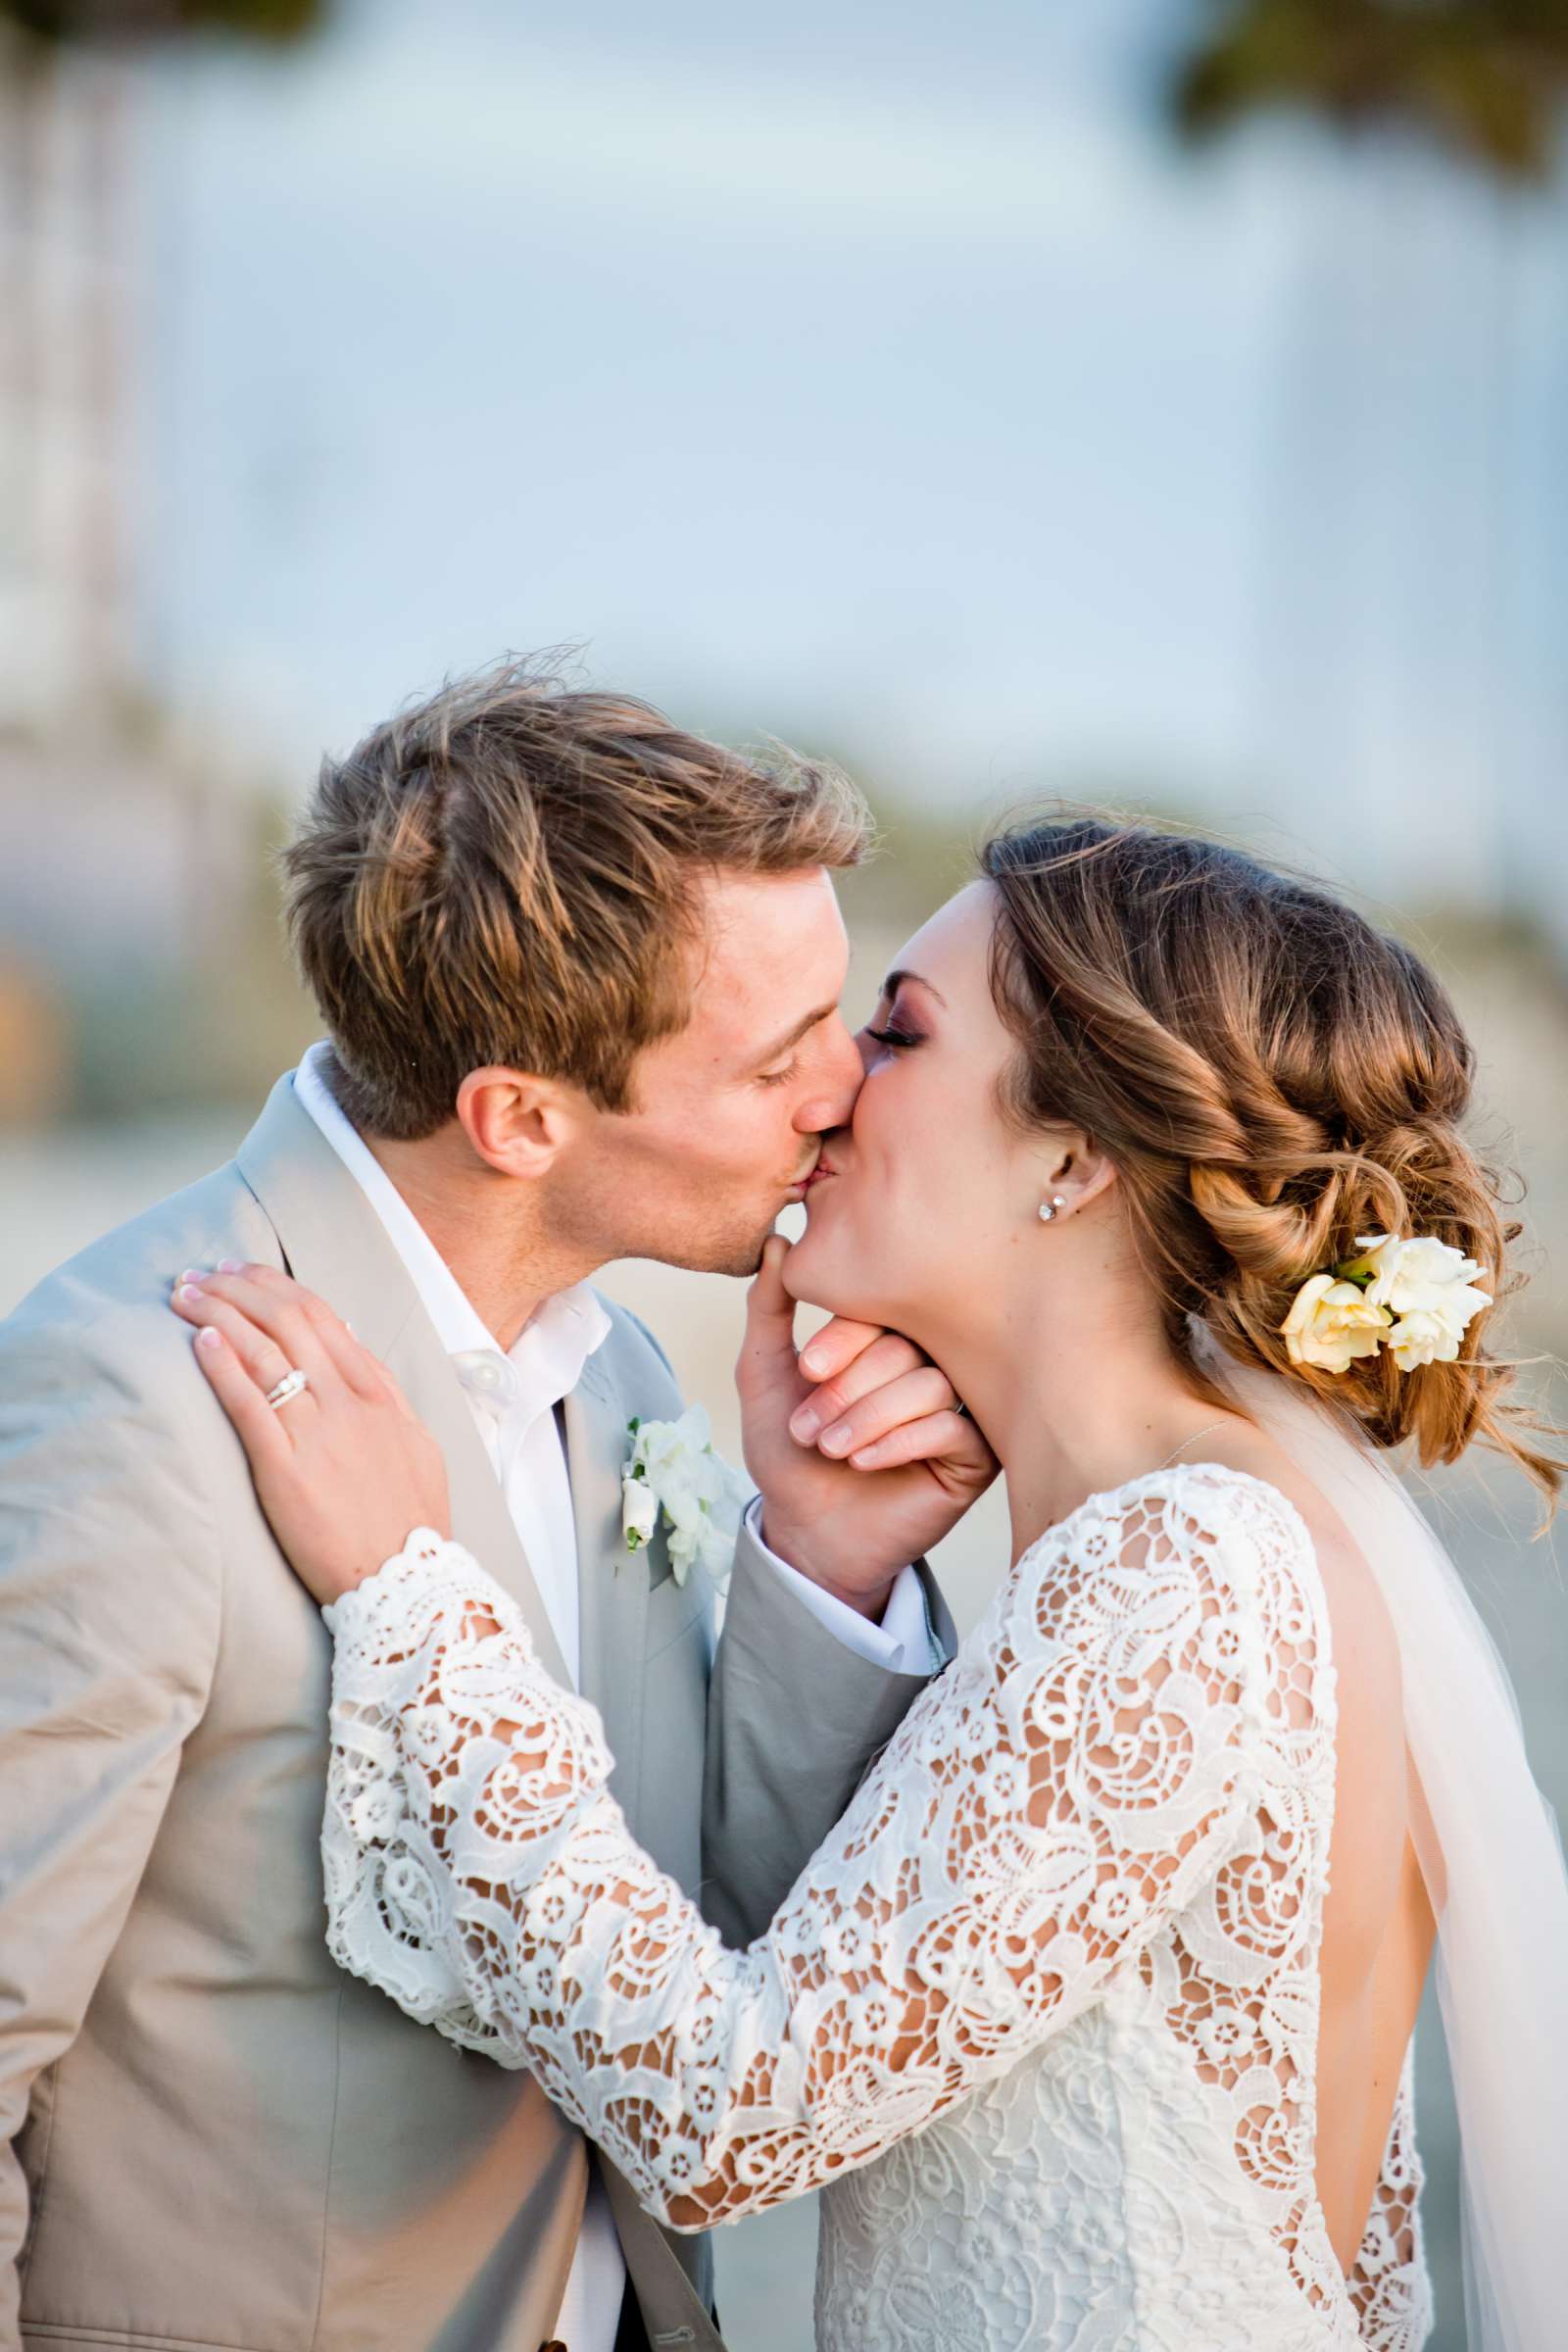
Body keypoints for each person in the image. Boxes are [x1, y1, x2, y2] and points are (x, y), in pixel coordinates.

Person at [181, 818, 1568, 2352]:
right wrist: (829, 1558)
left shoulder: (1190, 1571)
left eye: (899, 1032)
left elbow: (730, 2115)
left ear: (1076, 1155)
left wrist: (414, 1594)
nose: (830, 1083)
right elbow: (866, 1990)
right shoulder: (1202, 1534)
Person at [0, 662, 999, 2352]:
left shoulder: (626, 1383)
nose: (847, 1091)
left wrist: (821, 1569)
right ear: (520, 1117)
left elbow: (670, 1938)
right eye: (779, 1061)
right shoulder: (136, 1401)